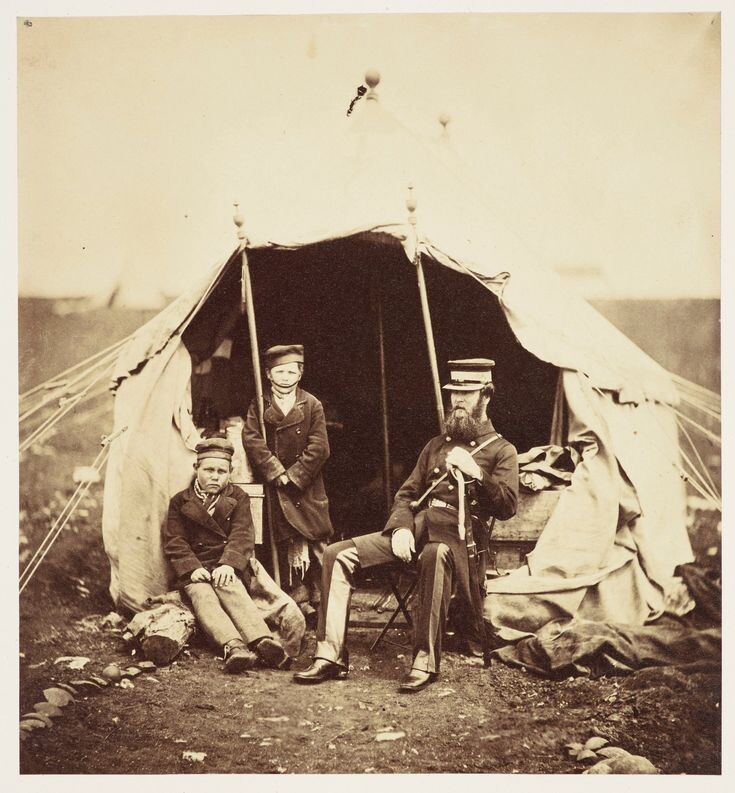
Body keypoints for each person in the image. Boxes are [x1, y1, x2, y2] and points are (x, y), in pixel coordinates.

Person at [293, 358, 519, 692]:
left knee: (435, 555)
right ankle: (329, 655)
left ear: (486, 395)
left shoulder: (502, 450)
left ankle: (424, 662)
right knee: (337, 555)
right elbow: (407, 494)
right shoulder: (435, 446)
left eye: (467, 393)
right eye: (453, 392)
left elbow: (507, 507)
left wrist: (478, 473)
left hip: (460, 542)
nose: (457, 400)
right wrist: (400, 528)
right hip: (417, 529)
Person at [163, 437, 290, 673]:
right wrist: (192, 568)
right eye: (209, 470)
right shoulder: (180, 501)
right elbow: (175, 540)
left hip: (225, 563)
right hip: (197, 568)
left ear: (230, 472)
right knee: (203, 596)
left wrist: (229, 564)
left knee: (231, 587)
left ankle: (262, 641)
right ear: (196, 468)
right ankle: (233, 647)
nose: (215, 476)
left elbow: (242, 534)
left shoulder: (239, 497)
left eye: (222, 471)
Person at [242, 345, 333, 625]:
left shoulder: (312, 404)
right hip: (276, 487)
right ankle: (297, 602)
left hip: (306, 487)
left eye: (291, 372)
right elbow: (252, 440)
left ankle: (326, 601)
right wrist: (275, 471)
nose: (285, 377)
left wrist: (294, 476)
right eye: (279, 371)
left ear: (300, 374)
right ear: (268, 374)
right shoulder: (260, 404)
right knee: (282, 545)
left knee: (317, 542)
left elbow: (319, 446)